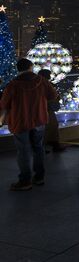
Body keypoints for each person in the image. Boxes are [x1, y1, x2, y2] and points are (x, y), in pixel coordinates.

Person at [0, 58, 58, 190]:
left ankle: (25, 181)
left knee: (23, 151)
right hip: (39, 120)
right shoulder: (41, 81)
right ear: (30, 67)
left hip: (20, 122)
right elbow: (53, 95)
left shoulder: (13, 85)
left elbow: (4, 104)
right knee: (38, 148)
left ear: (18, 69)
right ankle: (39, 177)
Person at [37, 69, 63, 152]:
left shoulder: (38, 83)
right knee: (50, 127)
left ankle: (52, 144)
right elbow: (53, 95)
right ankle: (50, 145)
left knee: (51, 126)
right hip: (46, 108)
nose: (50, 76)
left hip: (44, 108)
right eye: (49, 74)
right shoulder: (45, 83)